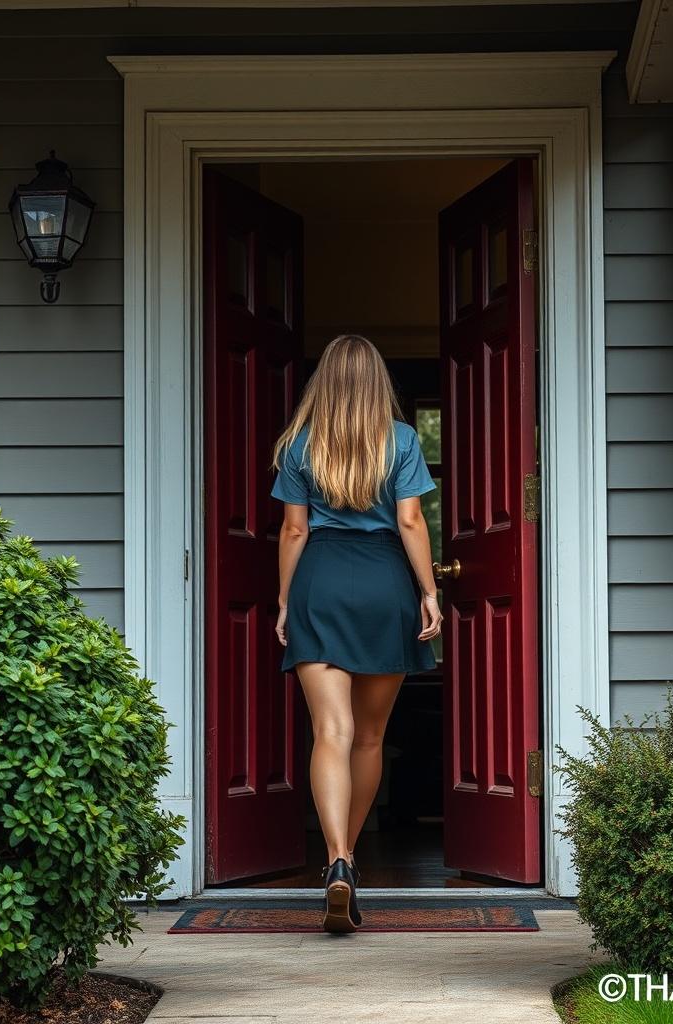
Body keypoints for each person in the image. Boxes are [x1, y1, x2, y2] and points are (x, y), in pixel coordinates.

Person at [270, 334, 442, 933]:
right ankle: (352, 864)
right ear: (376, 383)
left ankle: (334, 858)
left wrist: (287, 601)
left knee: (331, 731)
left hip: (320, 579)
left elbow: (293, 532)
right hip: (383, 584)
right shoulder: (400, 440)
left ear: (324, 382)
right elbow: (411, 519)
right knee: (369, 737)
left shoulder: (299, 445)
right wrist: (429, 591)